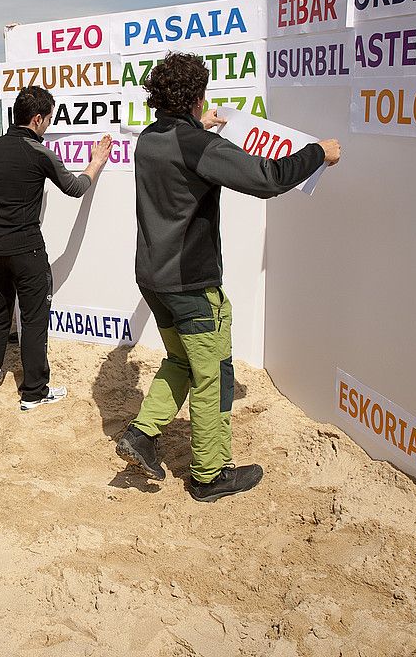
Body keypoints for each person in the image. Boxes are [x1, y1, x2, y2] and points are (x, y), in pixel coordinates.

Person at [115, 52, 341, 502]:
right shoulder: (194, 144)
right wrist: (319, 153)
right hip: (190, 284)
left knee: (181, 361)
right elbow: (268, 177)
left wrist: (202, 126)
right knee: (213, 374)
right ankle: (210, 475)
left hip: (152, 278)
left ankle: (142, 434)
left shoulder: (148, 138)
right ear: (198, 97)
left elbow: (183, 146)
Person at [0, 86, 113, 411]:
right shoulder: (38, 152)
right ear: (37, 118)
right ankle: (34, 391)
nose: (48, 126)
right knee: (33, 318)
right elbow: (76, 188)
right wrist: (96, 162)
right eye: (48, 119)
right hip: (26, 248)